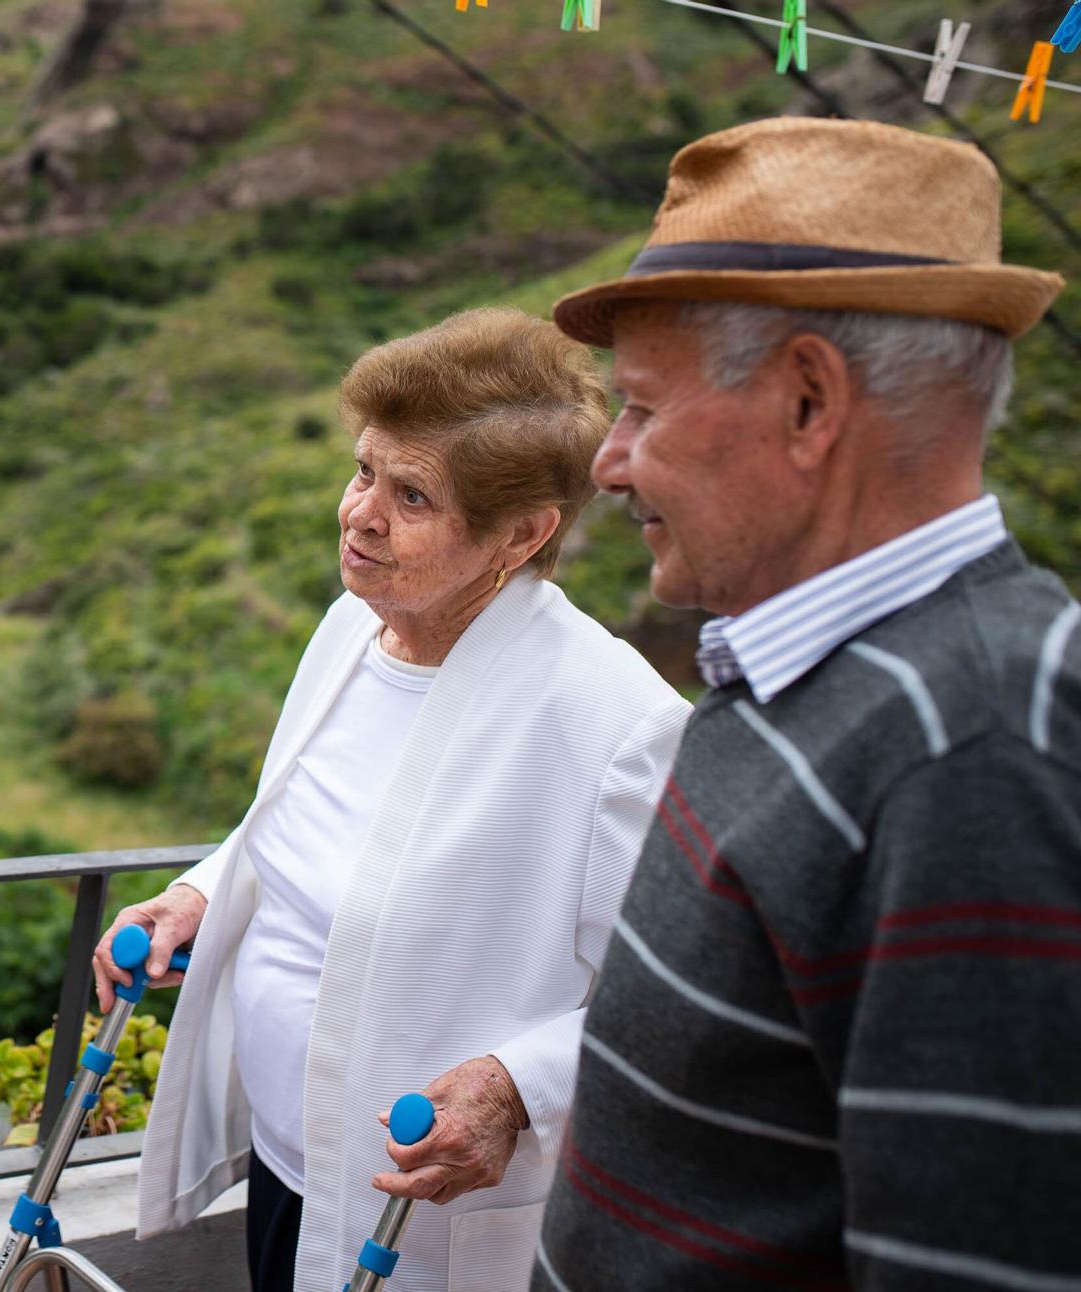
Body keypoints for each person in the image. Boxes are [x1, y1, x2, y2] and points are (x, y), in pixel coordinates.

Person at [533, 117, 1080, 1290]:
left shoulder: (972, 757)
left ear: (804, 402)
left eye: (638, 405)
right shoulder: (808, 674)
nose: (607, 460)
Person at [95, 307, 690, 1292]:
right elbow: (307, 822)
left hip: (415, 1216)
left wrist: (515, 1086)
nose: (358, 512)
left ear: (520, 532)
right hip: (290, 1173)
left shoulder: (613, 724)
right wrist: (201, 891)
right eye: (363, 468)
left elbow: (671, 996)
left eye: (409, 494)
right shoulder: (350, 626)